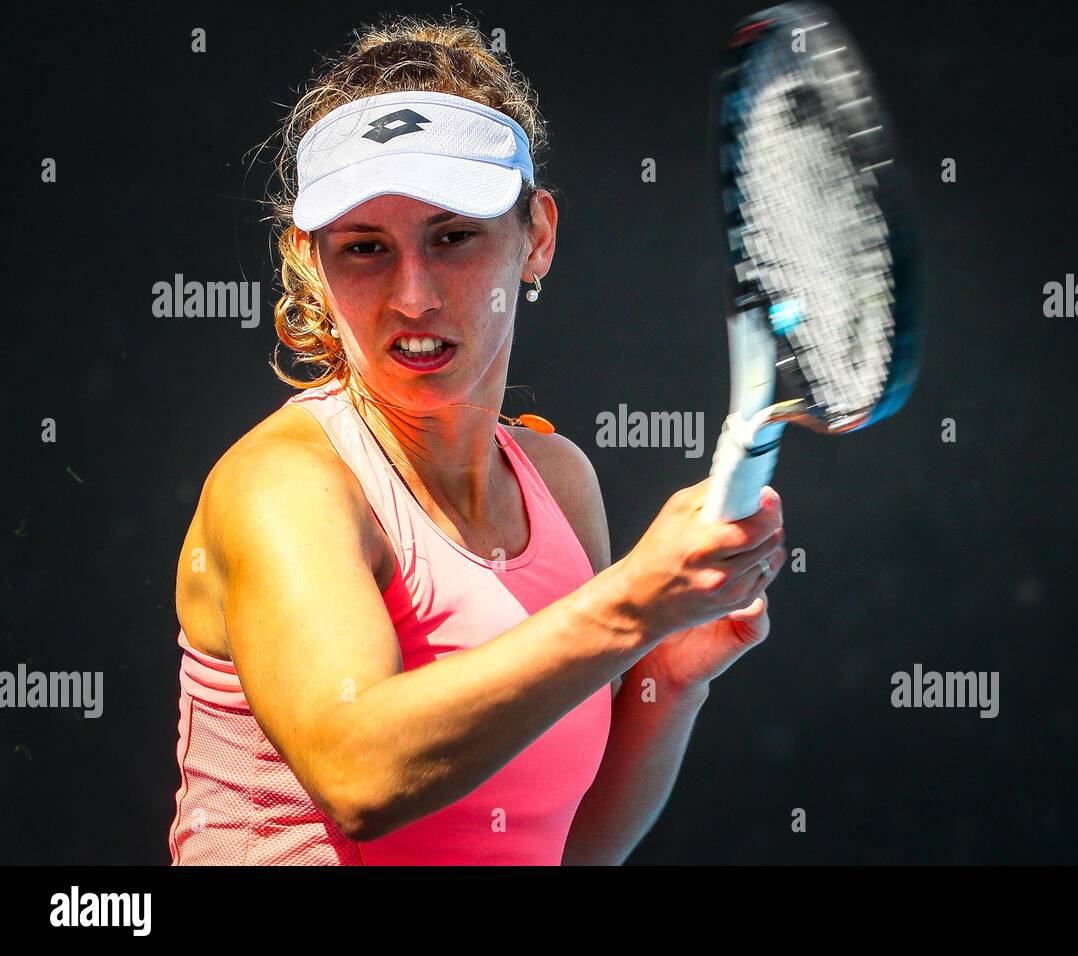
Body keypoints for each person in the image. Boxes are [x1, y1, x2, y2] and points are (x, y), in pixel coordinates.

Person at [167, 14, 785, 866]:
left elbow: (564, 849)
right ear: (311, 261)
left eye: (452, 236)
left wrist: (670, 677)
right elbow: (362, 776)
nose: (412, 295)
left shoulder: (562, 482)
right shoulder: (283, 486)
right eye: (365, 249)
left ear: (536, 236)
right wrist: (633, 602)